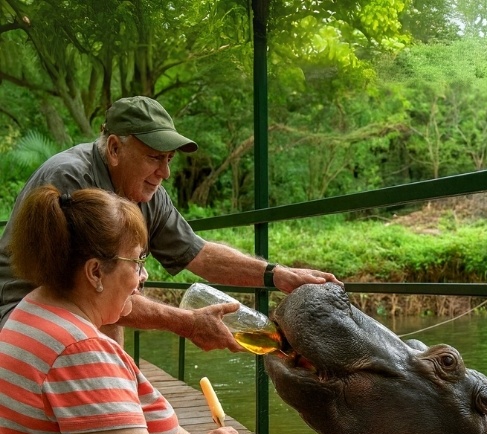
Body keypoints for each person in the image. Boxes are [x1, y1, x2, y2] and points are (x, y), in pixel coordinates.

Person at [0, 185, 333, 434]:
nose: (143, 277)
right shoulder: (77, 351)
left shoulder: (35, 311)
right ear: (94, 273)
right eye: (137, 262)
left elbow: (116, 421)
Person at [0, 95, 342, 350]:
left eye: (168, 160)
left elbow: (201, 255)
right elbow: (93, 289)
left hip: (82, 315)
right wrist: (187, 323)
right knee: (111, 302)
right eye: (154, 158)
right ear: (116, 149)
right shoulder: (71, 178)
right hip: (22, 318)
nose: (163, 173)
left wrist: (277, 275)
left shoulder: (146, 192)